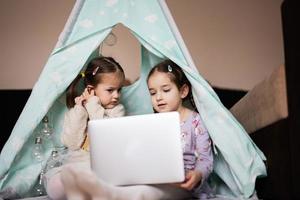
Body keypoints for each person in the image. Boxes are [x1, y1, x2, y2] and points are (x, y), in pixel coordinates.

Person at [59, 59, 214, 200]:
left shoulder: (195, 121)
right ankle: (95, 190)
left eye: (165, 90)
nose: (158, 97)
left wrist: (198, 174)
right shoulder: (150, 122)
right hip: (156, 180)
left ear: (183, 91)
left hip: (184, 183)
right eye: (153, 93)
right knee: (138, 189)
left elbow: (205, 159)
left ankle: (105, 193)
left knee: (142, 194)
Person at [44, 56, 126, 200]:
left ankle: (90, 192)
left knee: (111, 184)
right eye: (110, 90)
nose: (116, 95)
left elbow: (106, 133)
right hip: (77, 166)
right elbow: (71, 142)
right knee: (55, 187)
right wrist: (80, 110)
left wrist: (92, 104)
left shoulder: (117, 111)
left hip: (104, 167)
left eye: (119, 90)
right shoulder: (77, 110)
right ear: (91, 89)